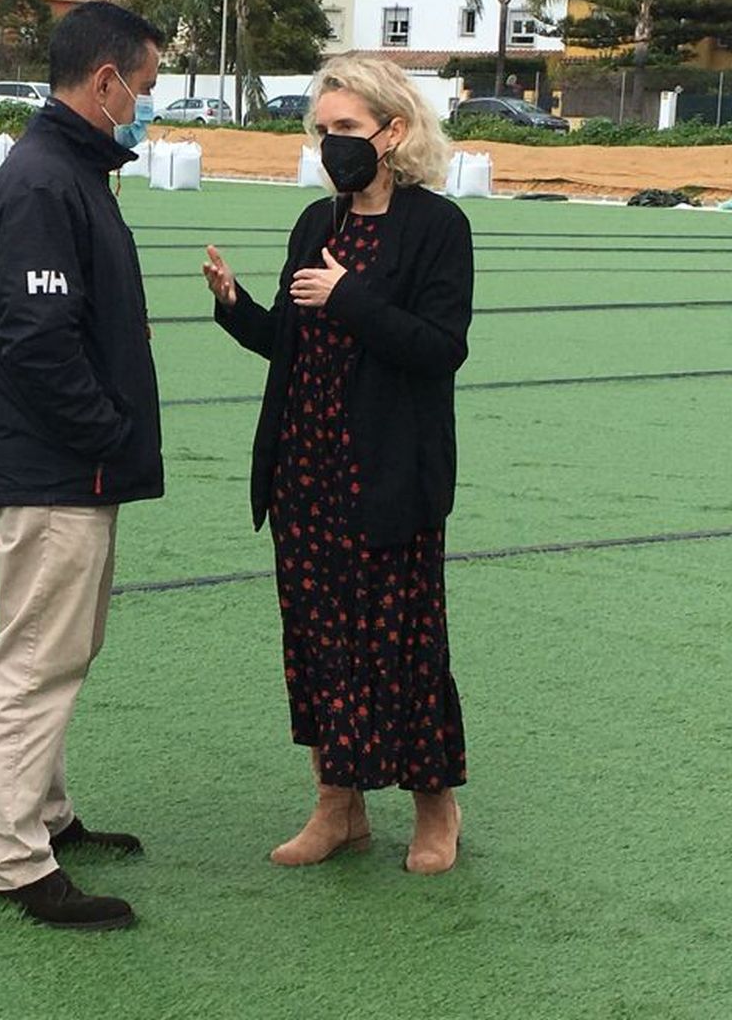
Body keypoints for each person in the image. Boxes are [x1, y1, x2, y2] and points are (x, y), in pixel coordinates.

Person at [202, 53, 472, 875]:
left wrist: (350, 298)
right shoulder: (315, 225)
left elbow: (439, 350)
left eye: (347, 129)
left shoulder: (437, 228)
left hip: (389, 479)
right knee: (320, 645)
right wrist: (237, 307)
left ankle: (435, 809)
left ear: (394, 132)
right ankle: (338, 806)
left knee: (406, 646)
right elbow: (291, 336)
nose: (332, 145)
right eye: (323, 131)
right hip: (306, 474)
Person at [0, 1, 164, 930]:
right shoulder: (48, 183)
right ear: (105, 82)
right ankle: (14, 862)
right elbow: (38, 341)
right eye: (145, 89)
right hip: (56, 473)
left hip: (70, 469)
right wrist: (106, 433)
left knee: (61, 651)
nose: (146, 107)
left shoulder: (71, 174)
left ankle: (44, 817)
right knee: (36, 663)